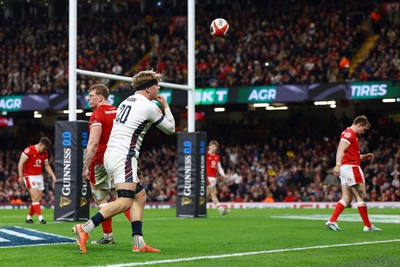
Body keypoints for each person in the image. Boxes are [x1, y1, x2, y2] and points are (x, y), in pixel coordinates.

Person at [73, 70, 175, 254]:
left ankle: (138, 242)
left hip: (112, 155)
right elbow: (171, 129)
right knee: (125, 201)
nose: (159, 88)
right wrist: (165, 106)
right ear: (149, 87)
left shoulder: (126, 101)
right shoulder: (149, 106)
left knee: (140, 196)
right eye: (157, 85)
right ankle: (85, 228)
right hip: (124, 156)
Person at [82, 84, 131, 245]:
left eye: (91, 95)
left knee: (102, 201)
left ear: (100, 97)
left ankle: (108, 237)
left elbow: (93, 144)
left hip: (100, 162)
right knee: (124, 198)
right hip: (119, 159)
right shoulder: (119, 111)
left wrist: (86, 166)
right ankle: (138, 234)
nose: (88, 98)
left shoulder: (97, 115)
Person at [325, 115, 381, 232]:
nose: (364, 132)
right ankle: (368, 226)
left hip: (346, 168)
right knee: (361, 196)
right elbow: (340, 149)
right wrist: (337, 165)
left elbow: (352, 156)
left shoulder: (351, 135)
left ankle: (332, 221)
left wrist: (364, 157)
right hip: (351, 169)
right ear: (359, 125)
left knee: (347, 198)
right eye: (364, 129)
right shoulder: (349, 134)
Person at [18, 137, 56, 224]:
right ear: (41, 144)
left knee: (38, 198)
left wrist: (53, 176)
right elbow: (20, 163)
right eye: (44, 148)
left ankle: (29, 218)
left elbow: (46, 165)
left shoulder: (44, 153)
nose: (45, 150)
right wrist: (20, 176)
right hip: (29, 176)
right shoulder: (29, 150)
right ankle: (41, 218)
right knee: (35, 197)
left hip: (39, 176)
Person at [206, 140, 230, 215]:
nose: (214, 148)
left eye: (215, 147)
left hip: (214, 178)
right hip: (207, 177)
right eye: (213, 146)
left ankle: (198, 209)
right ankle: (221, 209)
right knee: (213, 193)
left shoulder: (217, 157)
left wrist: (223, 175)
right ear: (209, 147)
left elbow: (219, 167)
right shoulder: (205, 155)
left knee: (207, 196)